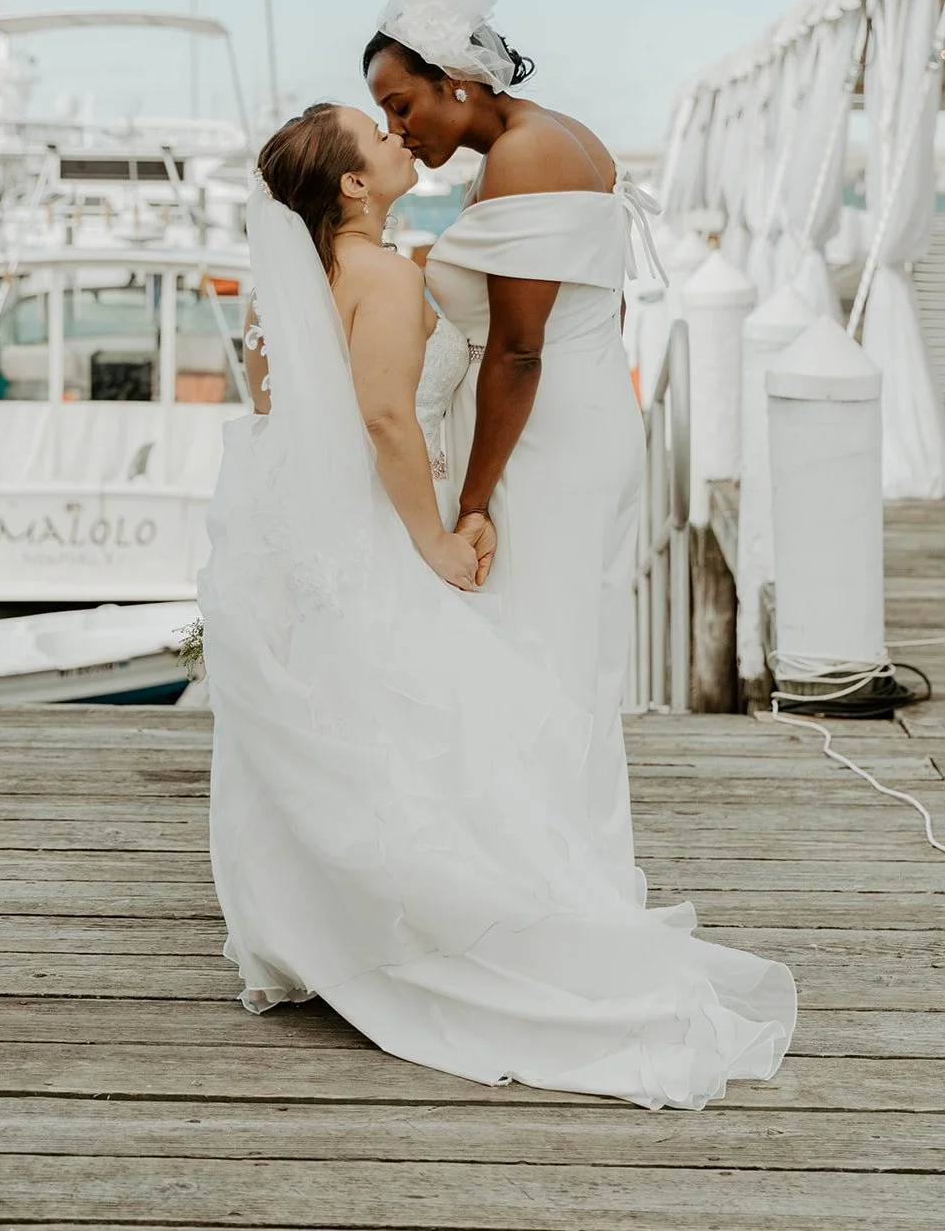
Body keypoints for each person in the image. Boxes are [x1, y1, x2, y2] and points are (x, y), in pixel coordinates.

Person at [198, 95, 796, 1111]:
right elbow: (387, 418)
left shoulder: (317, 277)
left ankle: (304, 925)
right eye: (377, 136)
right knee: (430, 722)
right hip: (381, 528)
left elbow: (278, 404)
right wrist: (433, 536)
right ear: (350, 184)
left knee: (341, 723)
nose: (395, 140)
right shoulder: (383, 274)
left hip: (322, 531)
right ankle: (428, 925)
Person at [364, 0, 663, 870]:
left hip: (545, 439)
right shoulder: (549, 139)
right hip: (578, 414)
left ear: (456, 81)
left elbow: (520, 348)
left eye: (401, 104)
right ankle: (544, 865)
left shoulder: (528, 154)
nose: (395, 129)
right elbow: (592, 313)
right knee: (557, 652)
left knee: (538, 655)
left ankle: (548, 878)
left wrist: (475, 500)